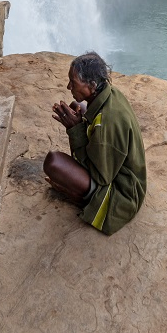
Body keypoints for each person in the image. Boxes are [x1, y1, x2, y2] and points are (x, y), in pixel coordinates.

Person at [43, 52, 146, 234]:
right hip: (117, 168)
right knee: (78, 106)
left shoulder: (108, 122)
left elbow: (100, 176)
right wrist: (81, 123)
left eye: (73, 82)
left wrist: (75, 131)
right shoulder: (109, 93)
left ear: (91, 85)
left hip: (121, 194)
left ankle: (85, 200)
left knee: (53, 162)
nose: (68, 86)